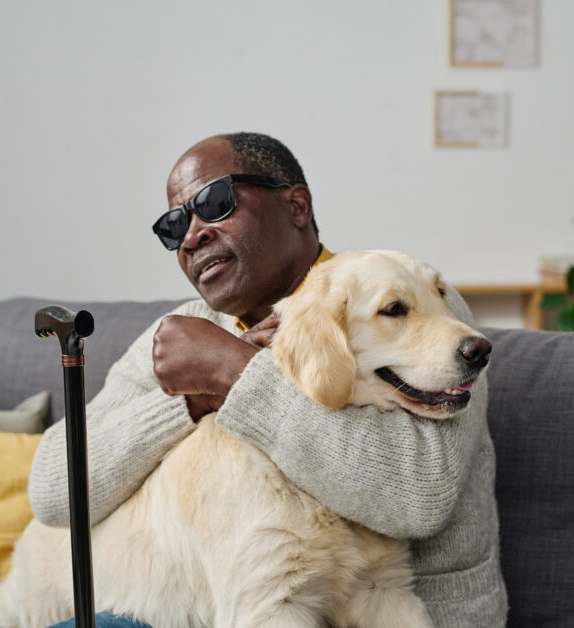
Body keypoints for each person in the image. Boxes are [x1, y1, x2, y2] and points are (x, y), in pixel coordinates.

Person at [29, 132, 507, 627]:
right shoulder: (183, 338)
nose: (193, 235)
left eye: (215, 203)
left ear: (296, 205)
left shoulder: (415, 303)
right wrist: (193, 398)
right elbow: (52, 491)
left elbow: (418, 498)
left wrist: (234, 372)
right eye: (174, 226)